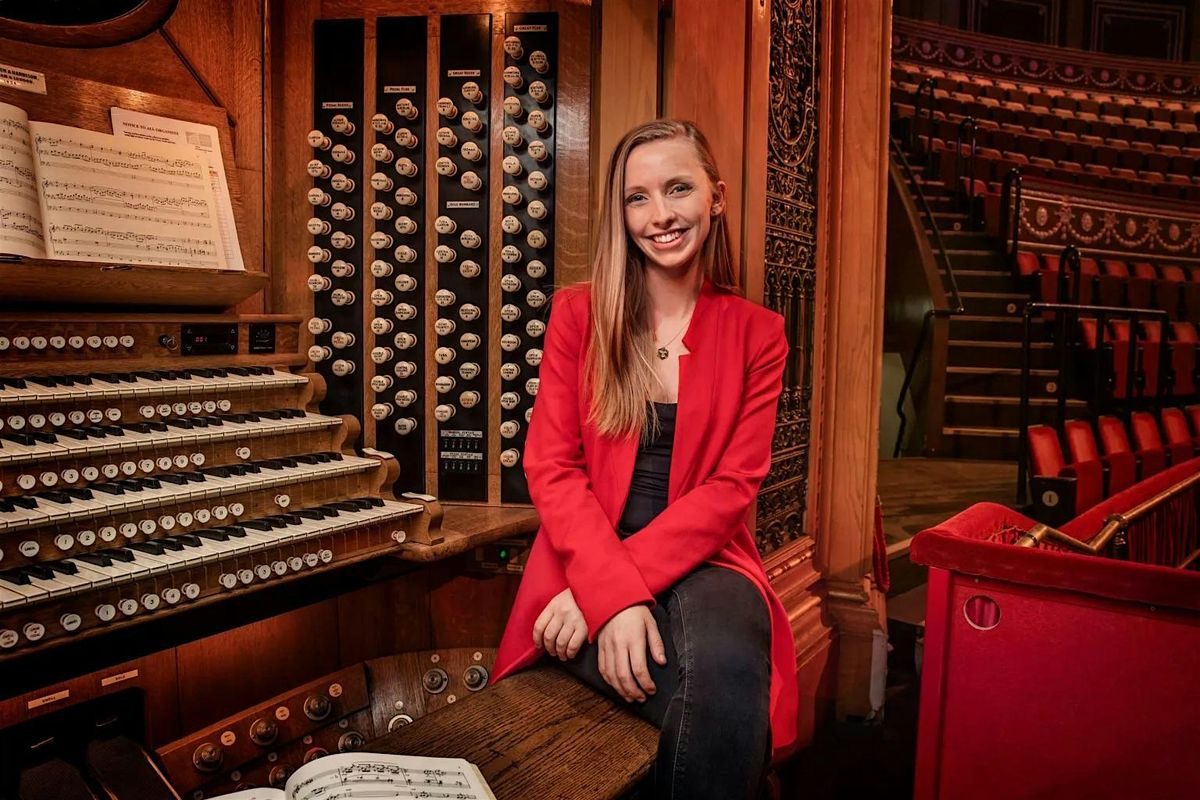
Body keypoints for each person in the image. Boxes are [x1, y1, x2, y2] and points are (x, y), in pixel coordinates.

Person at [490, 119, 798, 799]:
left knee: (728, 670)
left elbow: (731, 487)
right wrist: (609, 589)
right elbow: (550, 466)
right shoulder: (579, 314)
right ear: (619, 212)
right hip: (584, 551)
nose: (659, 216)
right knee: (721, 713)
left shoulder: (760, 333)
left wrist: (611, 596)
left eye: (678, 189)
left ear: (715, 198)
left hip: (705, 555)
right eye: (638, 198)